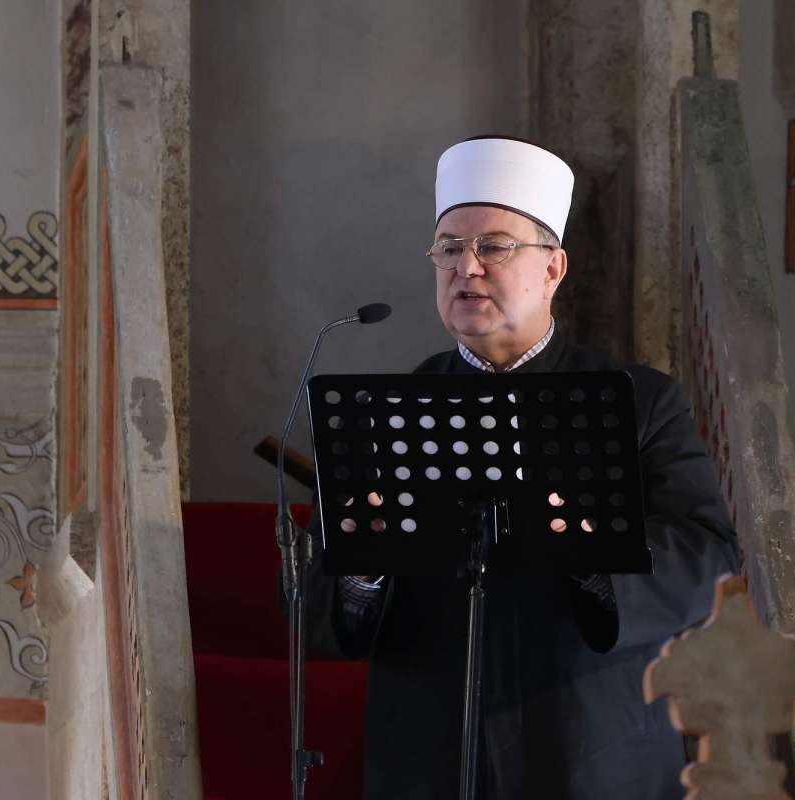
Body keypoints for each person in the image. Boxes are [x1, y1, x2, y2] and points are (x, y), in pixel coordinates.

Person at [300, 136, 740, 799]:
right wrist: (364, 564)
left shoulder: (640, 402)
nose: (466, 268)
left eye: (494, 247)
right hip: (428, 750)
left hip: (587, 750)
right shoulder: (386, 412)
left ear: (553, 268)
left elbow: (709, 559)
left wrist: (593, 550)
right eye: (448, 249)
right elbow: (321, 605)